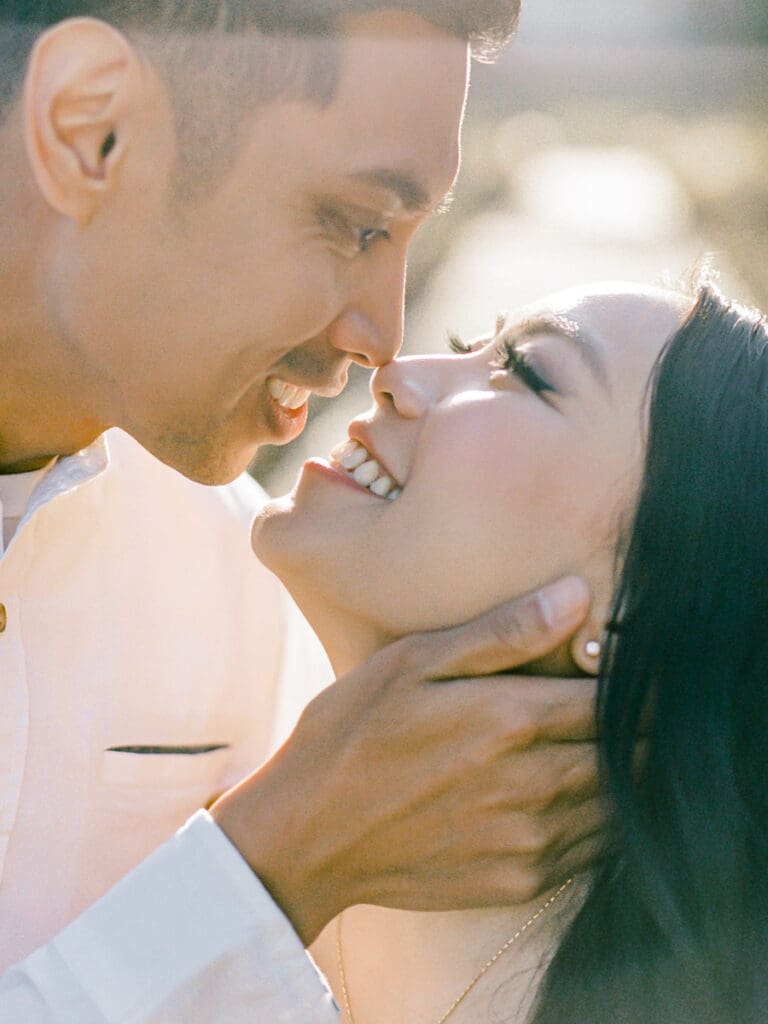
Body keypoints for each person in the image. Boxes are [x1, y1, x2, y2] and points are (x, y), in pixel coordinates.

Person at [0, 4, 603, 1022]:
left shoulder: (232, 585)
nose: (384, 337)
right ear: (88, 129)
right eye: (357, 223)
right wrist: (272, 860)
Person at [253, 276, 768, 1024]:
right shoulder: (179, 793)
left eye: (525, 373)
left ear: (642, 603)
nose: (396, 373)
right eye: (471, 347)